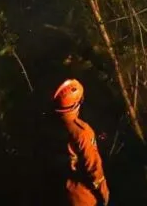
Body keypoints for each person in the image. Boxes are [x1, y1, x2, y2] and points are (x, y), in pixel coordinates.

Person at [52, 78, 110, 206]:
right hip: (83, 197)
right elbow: (93, 168)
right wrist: (104, 194)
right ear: (76, 103)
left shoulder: (52, 125)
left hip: (61, 192)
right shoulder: (82, 132)